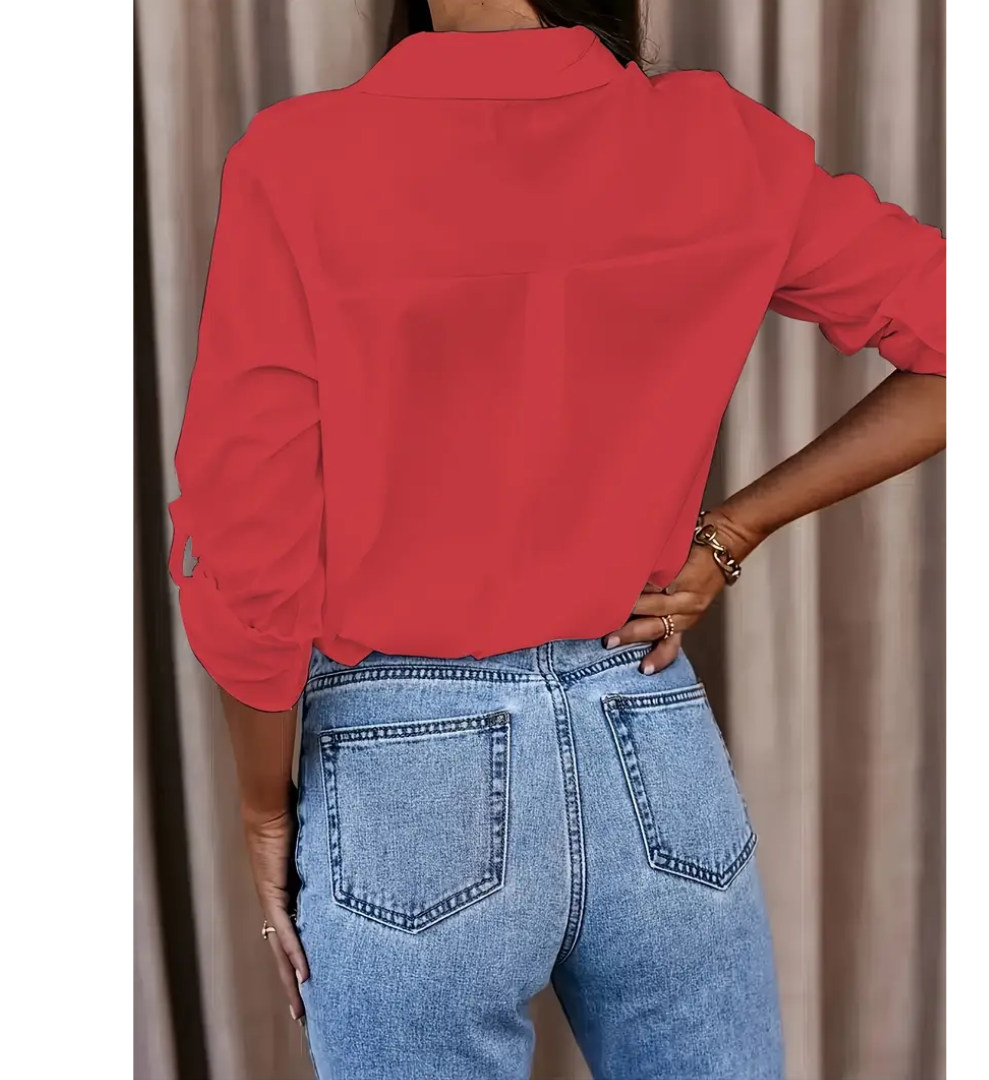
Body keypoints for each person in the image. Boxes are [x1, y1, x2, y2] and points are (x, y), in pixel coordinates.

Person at [167, 1, 945, 1076]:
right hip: (649, 731)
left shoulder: (301, 160)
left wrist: (265, 808)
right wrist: (732, 530)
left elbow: (250, 540)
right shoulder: (713, 140)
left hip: (407, 763)